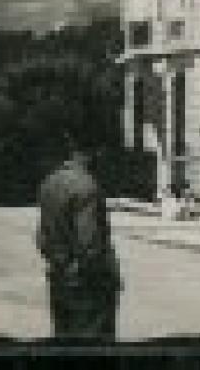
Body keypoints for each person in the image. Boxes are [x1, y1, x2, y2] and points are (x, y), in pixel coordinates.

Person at [36, 130, 122, 339]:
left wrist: (58, 261)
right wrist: (106, 276)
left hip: (58, 276)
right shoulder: (87, 186)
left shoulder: (49, 182)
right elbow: (89, 243)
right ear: (90, 154)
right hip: (86, 283)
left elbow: (41, 235)